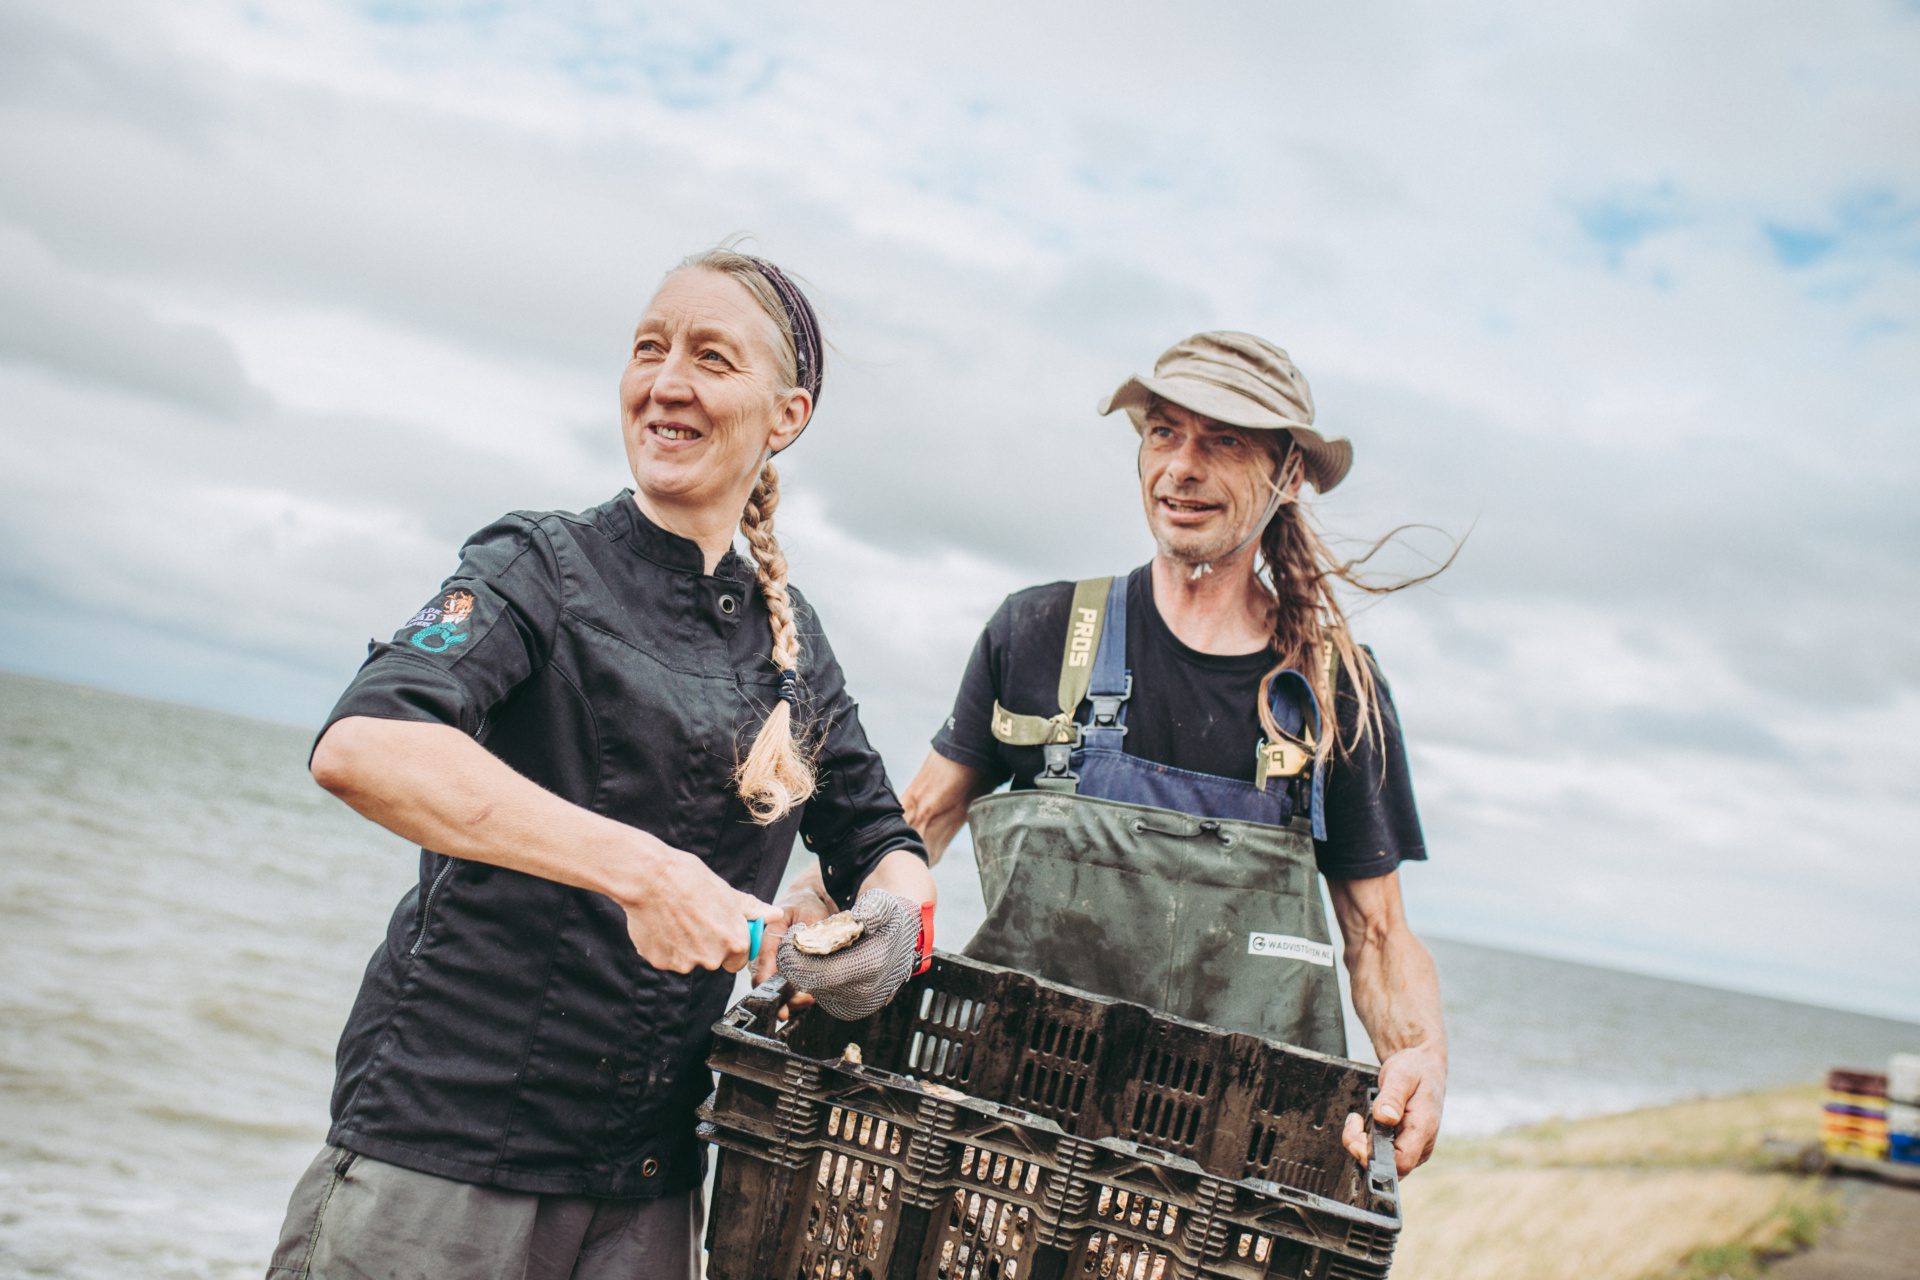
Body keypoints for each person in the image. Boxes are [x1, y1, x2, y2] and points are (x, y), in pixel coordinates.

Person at [265, 247, 935, 1280]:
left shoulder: (793, 642)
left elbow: (881, 838)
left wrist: (884, 927)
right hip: (445, 1165)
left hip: (649, 1191)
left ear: (786, 414)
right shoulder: (537, 564)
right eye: (649, 349)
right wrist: (644, 871)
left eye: (711, 358)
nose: (667, 382)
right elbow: (368, 744)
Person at [775, 331, 1447, 1179]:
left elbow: (1379, 933)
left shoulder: (1332, 688)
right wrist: (819, 897)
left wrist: (1421, 1056)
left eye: (1224, 440)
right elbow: (918, 820)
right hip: (1006, 1141)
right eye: (1163, 433)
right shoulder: (1040, 634)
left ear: (1290, 474)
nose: (1182, 468)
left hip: (1228, 1178)